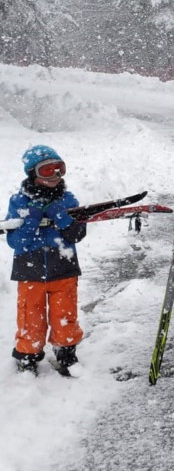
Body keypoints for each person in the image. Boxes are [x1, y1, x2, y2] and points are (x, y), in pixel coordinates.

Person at [5, 145, 86, 376]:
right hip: (30, 271)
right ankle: (28, 358)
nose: (56, 175)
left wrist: (61, 216)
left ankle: (66, 355)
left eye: (59, 168)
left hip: (64, 268)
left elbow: (77, 234)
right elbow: (16, 242)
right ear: (33, 173)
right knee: (31, 316)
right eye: (47, 170)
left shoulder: (68, 199)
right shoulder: (19, 202)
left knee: (65, 315)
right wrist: (31, 220)